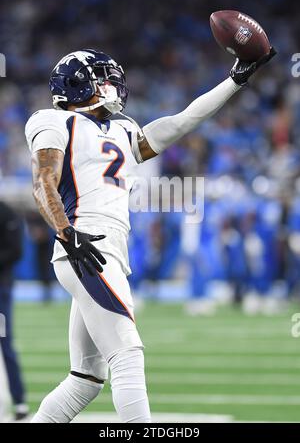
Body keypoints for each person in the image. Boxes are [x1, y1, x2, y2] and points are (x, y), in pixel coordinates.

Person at [25, 47, 275, 423]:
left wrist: (235, 81)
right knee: (127, 353)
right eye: (101, 77)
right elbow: (43, 180)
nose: (111, 84)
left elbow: (183, 120)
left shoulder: (122, 129)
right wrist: (67, 233)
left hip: (104, 248)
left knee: (86, 379)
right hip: (87, 246)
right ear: (75, 85)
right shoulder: (52, 121)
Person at [0, 201, 28, 420]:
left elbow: (16, 250)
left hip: (0, 288)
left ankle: (19, 401)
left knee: (4, 342)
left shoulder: (7, 212)